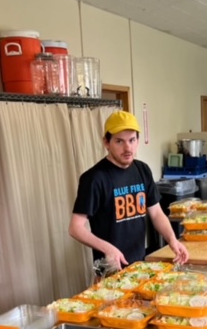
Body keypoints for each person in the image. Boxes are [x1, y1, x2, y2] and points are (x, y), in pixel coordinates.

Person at [69, 110, 189, 269]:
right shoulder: (94, 178)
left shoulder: (142, 170)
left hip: (139, 265)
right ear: (106, 142)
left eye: (132, 140)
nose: (128, 148)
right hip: (110, 270)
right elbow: (75, 228)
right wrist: (108, 248)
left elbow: (156, 213)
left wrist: (172, 240)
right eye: (119, 141)